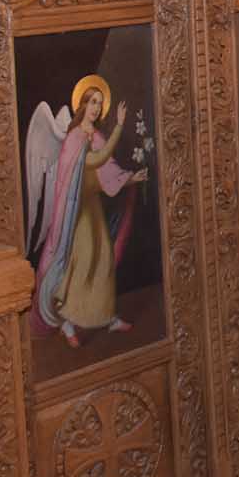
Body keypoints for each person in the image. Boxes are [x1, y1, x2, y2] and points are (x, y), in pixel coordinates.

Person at [25, 76, 149, 347]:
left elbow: (108, 171)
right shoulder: (73, 138)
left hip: (92, 208)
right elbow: (96, 159)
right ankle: (66, 319)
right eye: (92, 102)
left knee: (104, 257)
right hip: (74, 212)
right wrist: (119, 126)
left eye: (99, 103)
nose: (96, 108)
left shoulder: (97, 136)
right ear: (82, 105)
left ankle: (106, 316)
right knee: (83, 260)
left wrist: (131, 178)